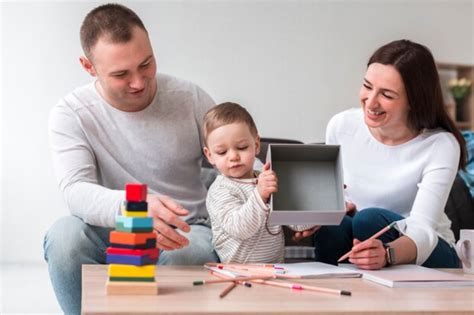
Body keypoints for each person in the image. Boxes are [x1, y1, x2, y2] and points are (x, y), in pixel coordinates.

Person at [44, 4, 219, 314]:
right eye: (121, 74)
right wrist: (135, 209)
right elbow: (75, 191)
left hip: (186, 228)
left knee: (186, 254)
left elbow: (237, 155)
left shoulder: (190, 98)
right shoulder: (70, 113)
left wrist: (272, 195)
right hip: (112, 228)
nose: (139, 82)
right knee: (64, 239)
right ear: (88, 66)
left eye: (146, 63)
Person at [303, 39, 467, 270]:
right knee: (335, 224)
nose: (370, 102)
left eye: (387, 95)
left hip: (424, 249)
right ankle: (332, 291)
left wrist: (388, 254)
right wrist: (318, 215)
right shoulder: (342, 126)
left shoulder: (440, 145)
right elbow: (336, 198)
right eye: (367, 86)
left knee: (367, 220)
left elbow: (422, 230)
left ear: (414, 100)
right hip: (362, 243)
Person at [203, 102, 312, 263]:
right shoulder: (220, 190)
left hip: (275, 268)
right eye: (222, 152)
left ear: (256, 145)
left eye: (242, 147)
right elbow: (239, 228)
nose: (233, 156)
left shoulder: (268, 179)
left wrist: (323, 203)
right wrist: (260, 195)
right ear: (210, 155)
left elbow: (296, 224)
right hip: (237, 271)